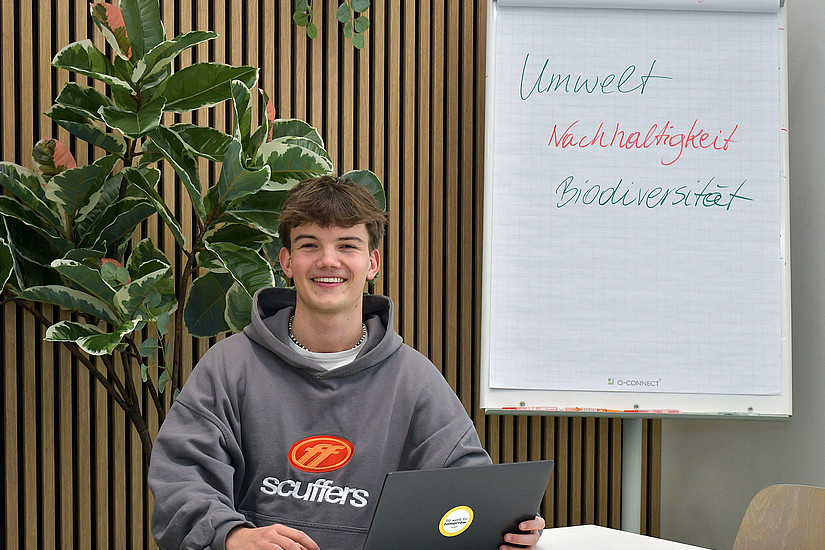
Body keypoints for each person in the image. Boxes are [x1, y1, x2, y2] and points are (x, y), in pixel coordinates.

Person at [148, 175, 545, 550]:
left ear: (372, 263)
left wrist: (507, 529)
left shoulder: (414, 379)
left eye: (347, 245)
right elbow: (180, 480)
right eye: (309, 245)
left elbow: (468, 490)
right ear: (287, 261)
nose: (328, 261)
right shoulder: (230, 367)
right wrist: (231, 535)